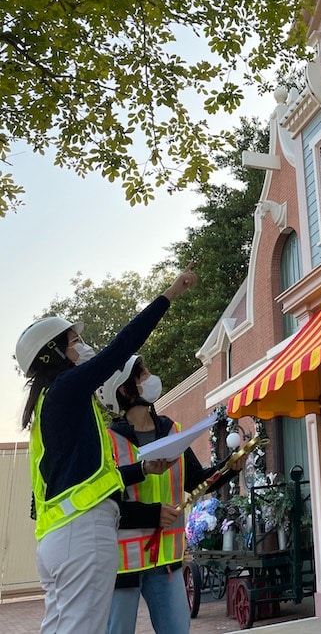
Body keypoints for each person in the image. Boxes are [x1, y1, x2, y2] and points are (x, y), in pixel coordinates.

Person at [15, 263, 198, 634]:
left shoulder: (47, 407)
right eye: (72, 342)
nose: (80, 347)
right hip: (81, 535)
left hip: (59, 540)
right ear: (53, 353)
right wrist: (170, 293)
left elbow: (91, 478)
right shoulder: (66, 389)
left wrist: (142, 470)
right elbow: (121, 348)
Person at [100, 355, 242, 634]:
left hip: (167, 562)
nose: (151, 377)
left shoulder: (172, 431)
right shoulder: (108, 441)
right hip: (124, 565)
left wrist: (228, 468)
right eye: (143, 375)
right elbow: (105, 502)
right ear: (126, 391)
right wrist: (152, 514)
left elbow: (197, 482)